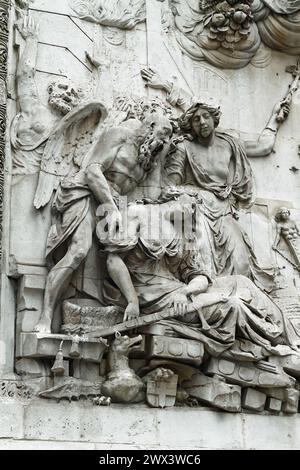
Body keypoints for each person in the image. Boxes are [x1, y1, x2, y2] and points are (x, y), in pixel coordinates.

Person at [101, 187, 298, 360]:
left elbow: (199, 276)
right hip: (150, 294)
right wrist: (132, 301)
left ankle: (292, 339)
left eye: (194, 207)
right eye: (189, 203)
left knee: (241, 283)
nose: (192, 210)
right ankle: (272, 341)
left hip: (177, 291)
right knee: (232, 305)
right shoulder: (138, 213)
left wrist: (186, 291)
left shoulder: (183, 231)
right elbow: (113, 259)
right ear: (175, 198)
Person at [140, 68, 291, 289]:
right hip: (198, 212)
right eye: (196, 119)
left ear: (214, 118)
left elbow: (263, 145)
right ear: (190, 124)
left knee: (241, 264)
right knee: (204, 269)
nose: (201, 122)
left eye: (206, 117)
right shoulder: (184, 148)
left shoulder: (230, 142)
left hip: (224, 212)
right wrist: (197, 194)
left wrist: (276, 118)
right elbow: (169, 188)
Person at [34, 110, 173, 333]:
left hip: (115, 206)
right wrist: (110, 206)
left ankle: (128, 306)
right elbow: (92, 171)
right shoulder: (120, 135)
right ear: (150, 125)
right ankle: (45, 316)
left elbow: (153, 194)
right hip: (86, 193)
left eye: (168, 138)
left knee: (123, 255)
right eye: (163, 133)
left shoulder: (149, 158)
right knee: (79, 251)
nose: (165, 140)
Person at [12, 14, 81, 176]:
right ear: (51, 91)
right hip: (20, 173)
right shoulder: (35, 109)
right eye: (63, 88)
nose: (68, 94)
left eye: (73, 93)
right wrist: (31, 41)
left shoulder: (71, 130)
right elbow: (24, 75)